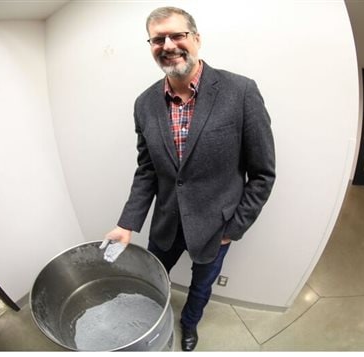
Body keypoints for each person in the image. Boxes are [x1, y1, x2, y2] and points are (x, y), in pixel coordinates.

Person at [104, 6, 276, 351]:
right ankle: (149, 323)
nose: (167, 45)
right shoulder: (144, 104)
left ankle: (190, 324)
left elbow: (262, 173)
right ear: (150, 46)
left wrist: (233, 228)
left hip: (217, 227)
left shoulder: (240, 91)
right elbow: (147, 170)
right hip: (166, 223)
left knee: (201, 286)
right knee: (152, 280)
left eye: (177, 35)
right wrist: (127, 223)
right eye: (157, 39)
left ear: (195, 39)